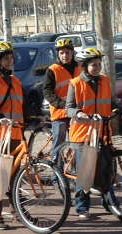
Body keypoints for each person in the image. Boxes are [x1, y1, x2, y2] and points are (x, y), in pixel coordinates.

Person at [0, 41, 44, 230]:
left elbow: (21, 105)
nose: (10, 61)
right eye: (5, 58)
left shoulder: (15, 81)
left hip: (15, 133)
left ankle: (19, 215)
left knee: (15, 177)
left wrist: (35, 115)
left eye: (10, 57)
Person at [65, 48, 122, 218]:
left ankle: (109, 202)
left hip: (102, 131)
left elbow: (108, 101)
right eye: (93, 65)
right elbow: (68, 108)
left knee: (107, 169)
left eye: (99, 64)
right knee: (86, 172)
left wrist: (121, 108)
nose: (97, 68)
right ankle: (82, 207)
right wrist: (79, 113)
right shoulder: (75, 83)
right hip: (82, 133)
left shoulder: (104, 80)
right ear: (84, 66)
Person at [42, 38, 81, 186]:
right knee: (58, 145)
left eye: (67, 52)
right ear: (58, 54)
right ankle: (56, 176)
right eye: (62, 53)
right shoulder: (52, 69)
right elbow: (47, 91)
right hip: (60, 113)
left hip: (77, 113)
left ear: (72, 52)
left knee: (76, 144)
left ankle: (74, 172)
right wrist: (61, 104)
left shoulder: (79, 67)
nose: (65, 55)